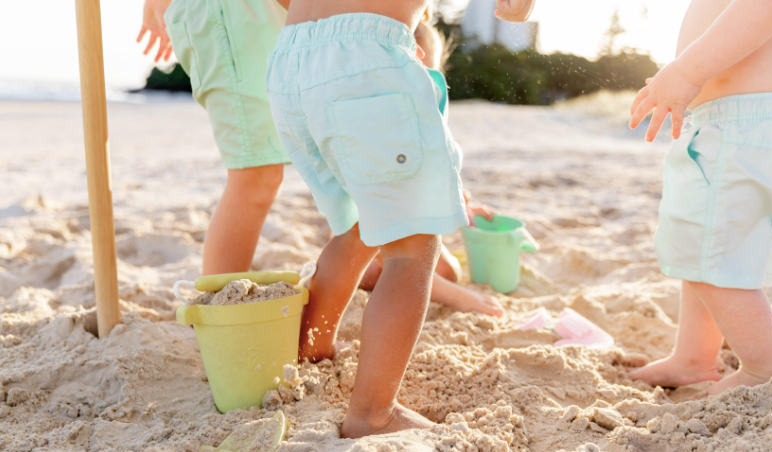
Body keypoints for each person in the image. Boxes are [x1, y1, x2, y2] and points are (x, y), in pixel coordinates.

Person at [266, 0, 535, 438]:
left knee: (357, 225)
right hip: (365, 57)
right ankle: (373, 414)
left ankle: (313, 347)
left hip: (290, 61)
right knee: (413, 248)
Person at [138, 0, 504, 318]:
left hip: (296, 28)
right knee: (255, 176)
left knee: (410, 240)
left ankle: (297, 331)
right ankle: (221, 320)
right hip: (236, 14)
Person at [627, 0, 772, 396]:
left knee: (705, 248)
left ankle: (765, 370)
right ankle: (694, 357)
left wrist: (686, 71)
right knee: (713, 251)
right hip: (755, 123)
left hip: (740, 125)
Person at [358, 14, 505, 318]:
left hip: (399, 225)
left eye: (435, 78)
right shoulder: (384, 121)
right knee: (399, 265)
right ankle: (446, 295)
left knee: (447, 269)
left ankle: (382, 275)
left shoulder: (426, 123)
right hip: (372, 228)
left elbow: (437, 176)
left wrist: (464, 207)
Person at [138, 0, 290, 276]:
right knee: (256, 174)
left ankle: (364, 261)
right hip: (231, 13)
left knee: (335, 149)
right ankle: (221, 303)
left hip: (276, 14)